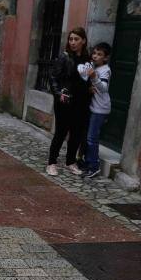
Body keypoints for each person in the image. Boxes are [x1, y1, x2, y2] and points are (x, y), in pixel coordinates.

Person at [46, 27, 91, 176]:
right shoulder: (64, 57)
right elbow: (53, 78)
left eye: (76, 39)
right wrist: (59, 94)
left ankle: (70, 162)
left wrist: (91, 88)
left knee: (76, 134)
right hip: (65, 102)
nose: (72, 42)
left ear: (83, 41)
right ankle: (51, 163)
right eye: (71, 39)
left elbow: (87, 79)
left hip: (81, 102)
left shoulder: (87, 59)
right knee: (61, 132)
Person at [80, 42, 112, 179]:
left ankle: (94, 166)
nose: (95, 56)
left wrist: (94, 77)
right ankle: (87, 162)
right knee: (88, 137)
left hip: (100, 109)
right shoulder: (93, 67)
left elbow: (104, 88)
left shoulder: (105, 70)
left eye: (99, 54)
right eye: (94, 53)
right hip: (92, 107)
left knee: (92, 139)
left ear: (105, 58)